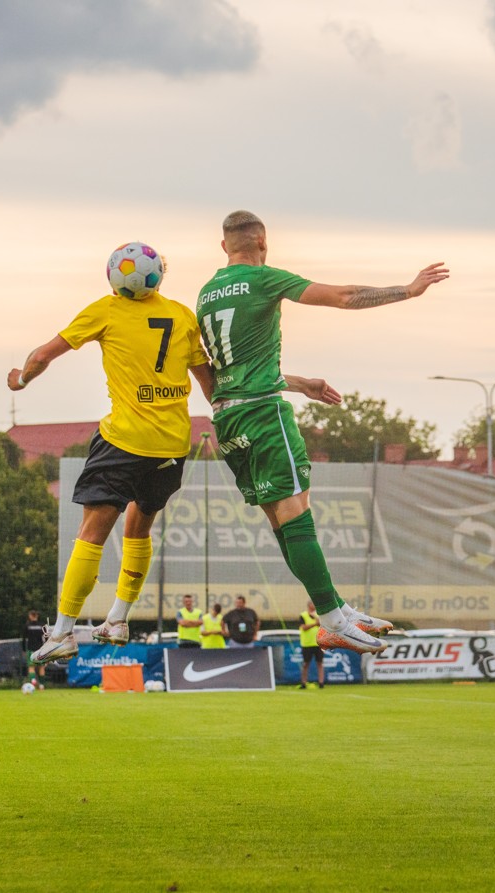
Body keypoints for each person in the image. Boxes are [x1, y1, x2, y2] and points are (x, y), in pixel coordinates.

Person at [10, 242, 339, 663]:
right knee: (138, 528)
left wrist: (20, 379)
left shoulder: (105, 311)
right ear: (155, 276)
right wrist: (294, 384)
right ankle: (118, 617)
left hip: (124, 442)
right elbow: (215, 384)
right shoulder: (182, 316)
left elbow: (41, 356)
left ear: (113, 277)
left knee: (91, 533)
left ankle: (61, 631)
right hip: (171, 446)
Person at [196, 211, 449, 654]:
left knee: (282, 519)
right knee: (298, 515)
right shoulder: (266, 279)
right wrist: (407, 291)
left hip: (228, 418)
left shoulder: (208, 294)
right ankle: (331, 618)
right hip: (262, 414)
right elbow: (345, 296)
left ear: (224, 247)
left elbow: (232, 372)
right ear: (263, 242)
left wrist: (297, 383)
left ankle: (337, 609)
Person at [298, 601, 324, 689]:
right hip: (307, 644)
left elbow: (323, 625)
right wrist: (314, 624)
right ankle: (303, 683)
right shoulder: (303, 615)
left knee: (320, 663)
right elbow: (303, 628)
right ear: (309, 605)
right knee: (306, 664)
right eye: (313, 603)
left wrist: (318, 621)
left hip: (319, 643)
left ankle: (321, 682)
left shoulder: (319, 616)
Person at [23, 609, 46, 688]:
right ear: (37, 616)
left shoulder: (27, 626)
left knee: (31, 666)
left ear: (30, 616)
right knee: (41, 667)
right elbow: (46, 638)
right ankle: (42, 685)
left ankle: (33, 681)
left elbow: (24, 639)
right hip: (40, 650)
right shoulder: (42, 625)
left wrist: (24, 650)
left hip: (31, 649)